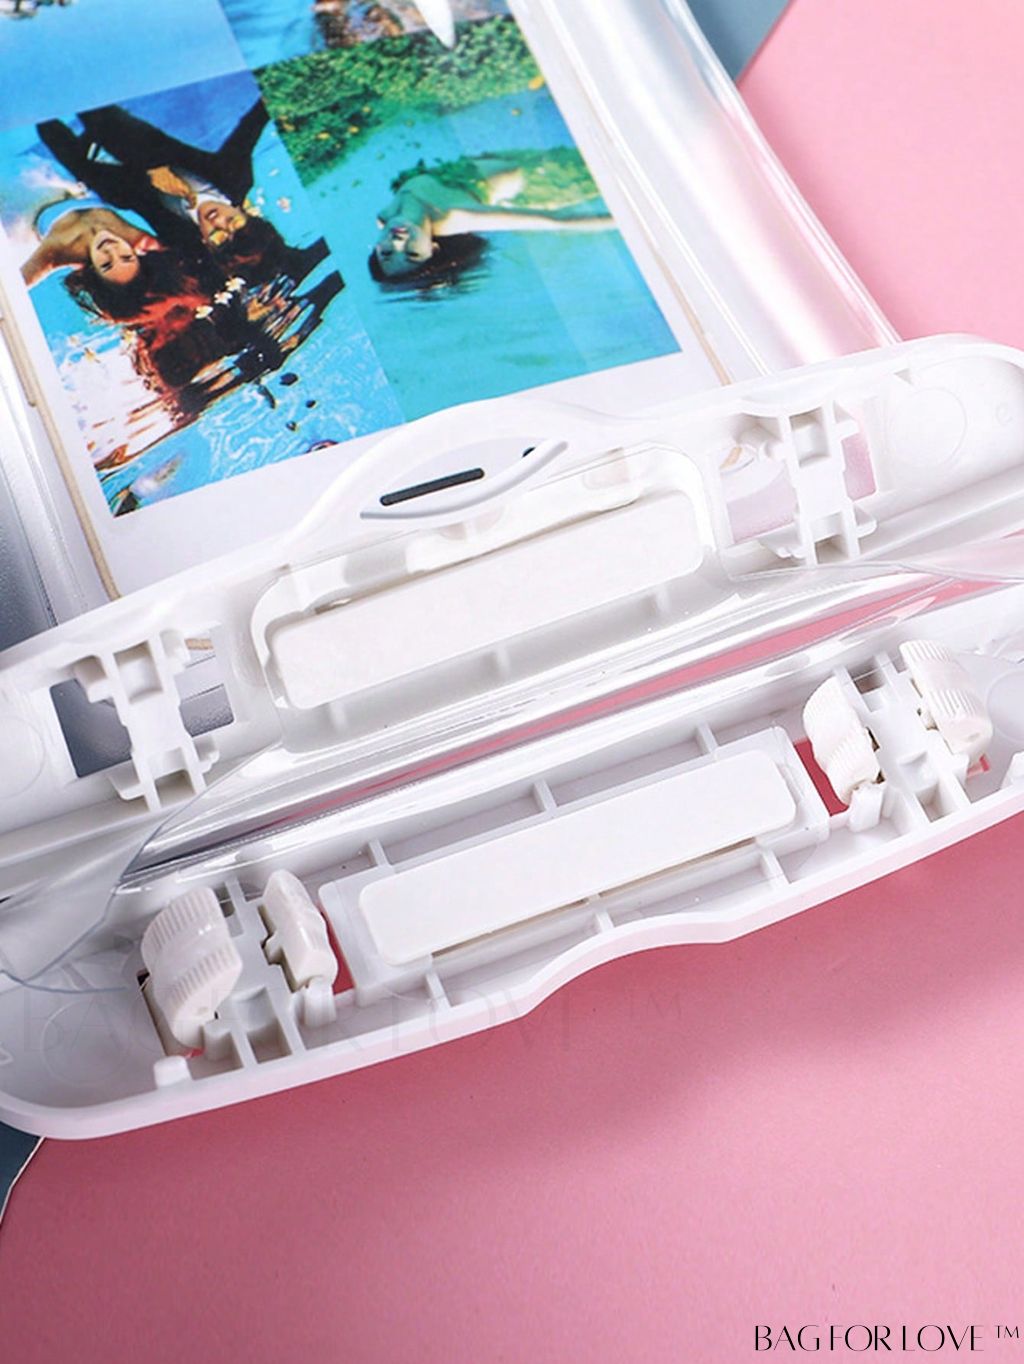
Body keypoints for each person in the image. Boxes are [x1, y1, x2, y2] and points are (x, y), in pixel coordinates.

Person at [368, 154, 613, 282]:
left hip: (510, 156)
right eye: (412, 254)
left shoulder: (386, 216)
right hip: (553, 178)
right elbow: (557, 221)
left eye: (387, 253)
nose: (398, 242)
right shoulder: (456, 217)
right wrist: (620, 221)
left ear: (376, 246)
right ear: (433, 248)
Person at [21, 205, 157, 288]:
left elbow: (17, 287)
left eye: (106, 264)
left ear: (94, 270)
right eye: (126, 257)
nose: (111, 250)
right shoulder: (134, 234)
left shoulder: (60, 252)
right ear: (136, 253)